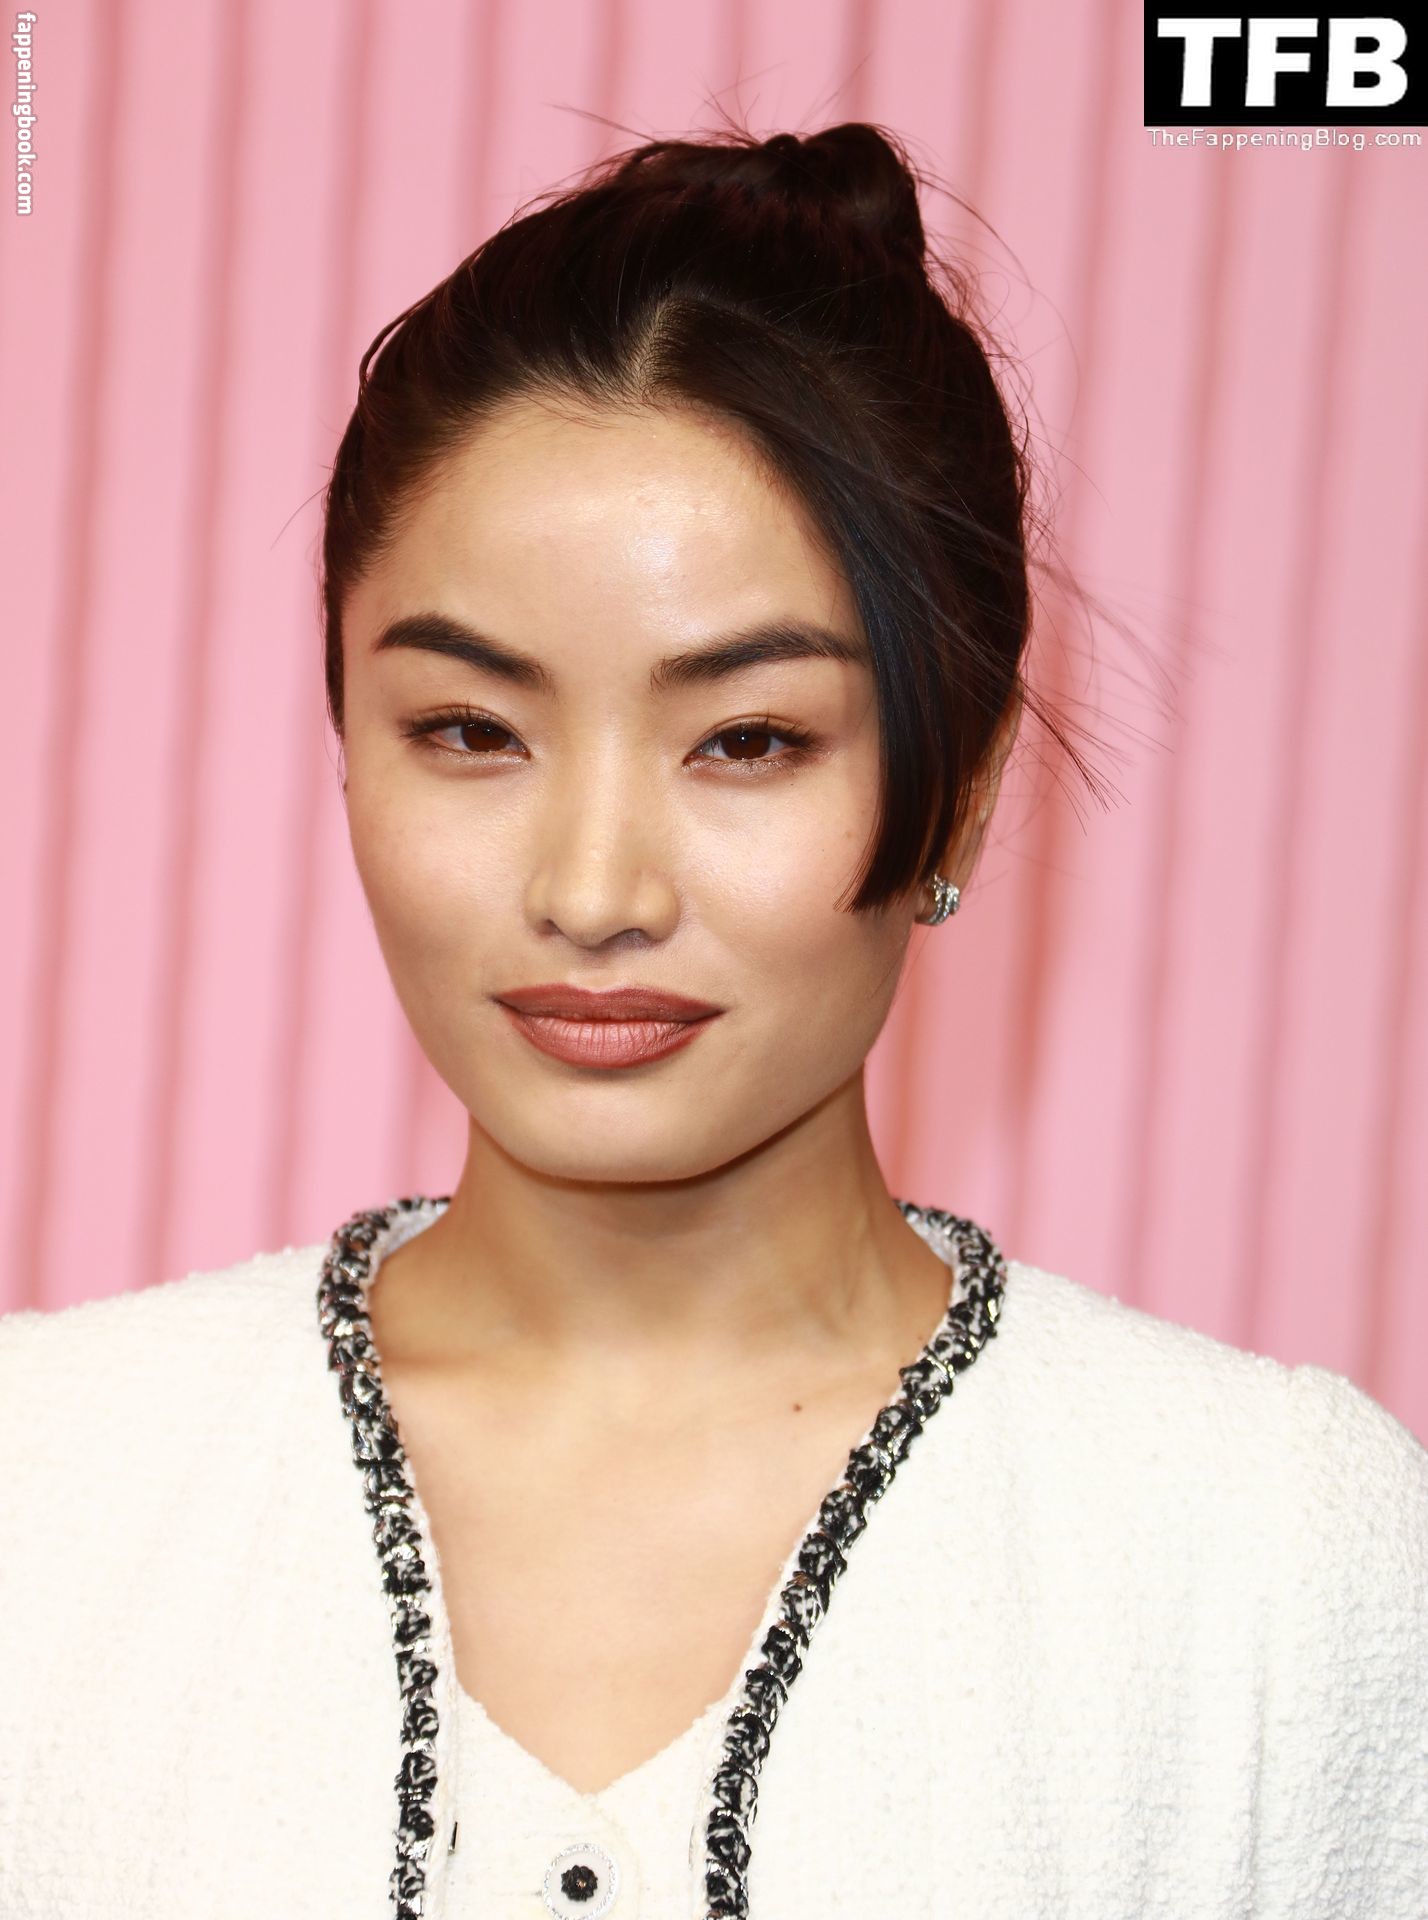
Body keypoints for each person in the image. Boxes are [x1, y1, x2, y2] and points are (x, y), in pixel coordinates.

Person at [2, 121, 1425, 1920]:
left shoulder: (1275, 1560)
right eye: (469, 731)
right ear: (345, 738)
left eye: (748, 740)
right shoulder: (42, 1489)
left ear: (960, 790)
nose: (595, 888)